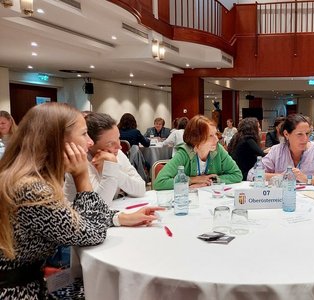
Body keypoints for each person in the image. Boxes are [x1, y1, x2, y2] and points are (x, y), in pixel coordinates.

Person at [0, 103, 162, 299]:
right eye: (84, 134)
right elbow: (91, 234)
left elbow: (70, 214)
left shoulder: (29, 177)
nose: (90, 143)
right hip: (17, 292)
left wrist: (119, 218)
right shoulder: (32, 190)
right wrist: (82, 176)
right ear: (58, 141)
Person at [64, 112, 146, 205]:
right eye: (110, 143)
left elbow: (141, 189)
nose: (119, 147)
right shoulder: (79, 161)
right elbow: (98, 207)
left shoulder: (116, 153)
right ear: (90, 144)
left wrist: (114, 171)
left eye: (118, 138)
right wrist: (111, 168)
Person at [248, 114, 314, 183]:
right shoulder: (276, 151)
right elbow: (252, 174)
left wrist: (307, 178)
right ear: (286, 134)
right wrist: (281, 177)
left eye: (307, 134)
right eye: (299, 134)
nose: (305, 139)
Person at [153, 115, 242, 189]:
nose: (216, 139)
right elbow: (160, 182)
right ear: (196, 140)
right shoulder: (184, 154)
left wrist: (213, 180)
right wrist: (193, 180)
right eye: (210, 136)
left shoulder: (218, 149)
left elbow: (237, 175)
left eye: (215, 134)